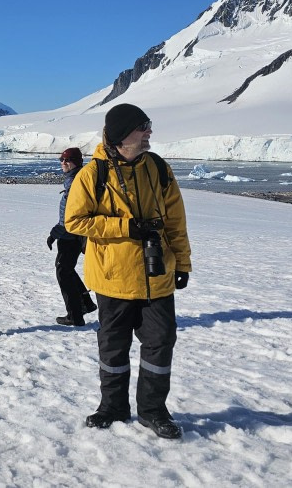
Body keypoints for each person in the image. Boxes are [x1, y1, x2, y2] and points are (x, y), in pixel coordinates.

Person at [65, 103, 192, 440]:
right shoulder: (93, 175)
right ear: (123, 135)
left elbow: (176, 221)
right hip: (113, 278)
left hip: (157, 276)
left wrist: (182, 263)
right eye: (143, 127)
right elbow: (75, 221)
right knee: (113, 346)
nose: (149, 131)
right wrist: (126, 227)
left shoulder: (159, 168)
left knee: (160, 343)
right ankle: (113, 406)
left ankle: (153, 411)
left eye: (148, 125)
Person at [47, 147, 97, 327]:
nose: (63, 162)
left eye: (67, 159)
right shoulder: (74, 179)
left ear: (77, 161)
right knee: (66, 269)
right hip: (72, 233)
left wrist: (56, 232)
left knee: (63, 270)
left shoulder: (77, 181)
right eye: (61, 159)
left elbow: (72, 214)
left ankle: (75, 315)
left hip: (72, 234)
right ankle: (86, 304)